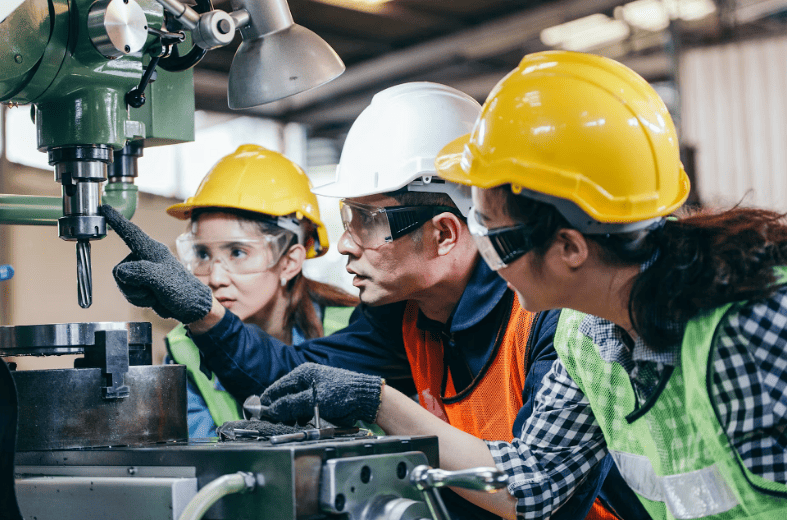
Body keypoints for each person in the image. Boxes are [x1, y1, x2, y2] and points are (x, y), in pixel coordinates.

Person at [100, 83, 618, 520]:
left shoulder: (551, 321)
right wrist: (202, 310)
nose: (345, 243)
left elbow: (538, 494)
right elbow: (293, 375)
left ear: (442, 234)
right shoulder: (405, 314)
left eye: (367, 221)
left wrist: (379, 401)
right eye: (347, 218)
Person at [434, 50, 787, 518]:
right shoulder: (587, 339)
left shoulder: (752, 322)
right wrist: (377, 401)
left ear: (569, 248)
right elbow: (533, 480)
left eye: (492, 239)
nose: (486, 263)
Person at [163, 144, 358, 438]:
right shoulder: (184, 347)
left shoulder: (350, 329)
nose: (215, 278)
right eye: (202, 254)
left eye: (238, 252)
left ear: (290, 261)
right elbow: (197, 461)